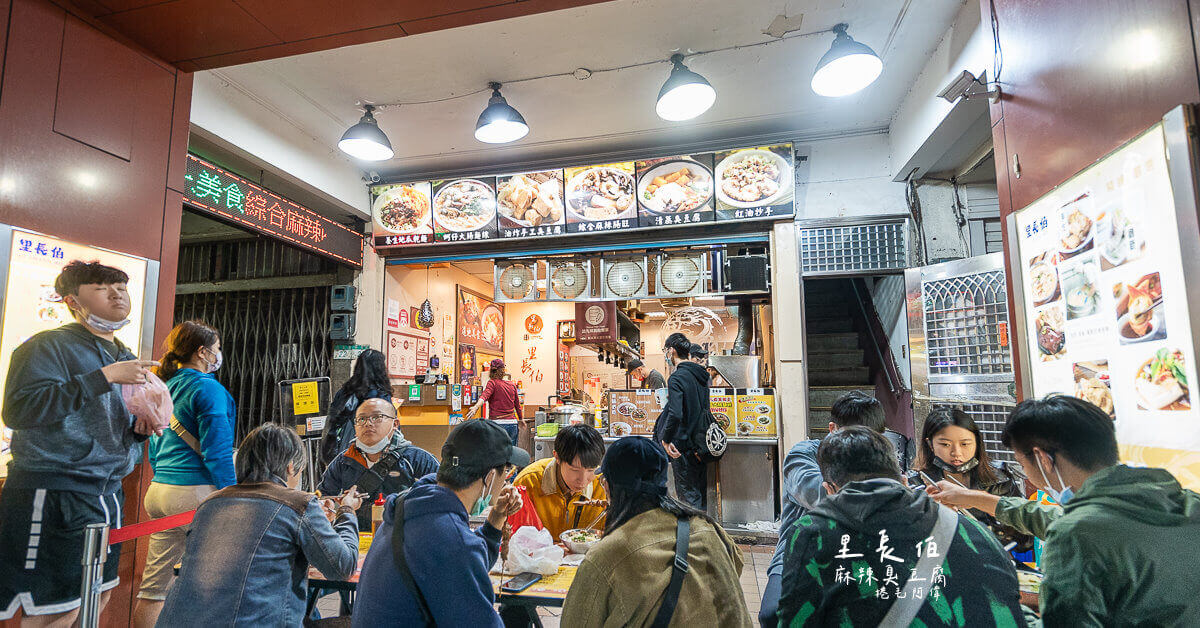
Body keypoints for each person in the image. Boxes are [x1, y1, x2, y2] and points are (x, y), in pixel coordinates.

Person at [936, 395, 1200, 625]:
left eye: (1022, 464)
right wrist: (974, 498)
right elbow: (1060, 518)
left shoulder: (1076, 534)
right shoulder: (1181, 501)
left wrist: (1000, 603)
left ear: (1042, 458)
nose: (1027, 475)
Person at [0, 260, 160, 626]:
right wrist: (103, 377)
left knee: (97, 595)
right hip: (55, 489)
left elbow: (112, 423)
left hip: (108, 493)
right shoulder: (47, 347)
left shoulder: (122, 354)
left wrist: (140, 430)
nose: (117, 293)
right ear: (73, 301)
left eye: (121, 286)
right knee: (53, 608)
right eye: (102, 287)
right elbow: (20, 410)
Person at [776, 427, 1027, 627]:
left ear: (829, 490)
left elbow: (794, 618)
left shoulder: (814, 532)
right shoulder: (974, 533)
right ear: (903, 480)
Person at [157, 423, 362, 626]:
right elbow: (343, 567)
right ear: (291, 466)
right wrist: (346, 510)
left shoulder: (210, 504)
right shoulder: (299, 504)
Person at [561, 437, 752, 627]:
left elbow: (576, 622)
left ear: (608, 487)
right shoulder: (709, 528)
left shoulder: (606, 555)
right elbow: (737, 564)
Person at [352, 419, 528, 627]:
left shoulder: (408, 506)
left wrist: (497, 517)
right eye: (506, 472)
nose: (506, 480)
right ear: (489, 477)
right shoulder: (451, 538)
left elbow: (468, 566)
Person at [133, 320, 236, 627]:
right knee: (212, 586)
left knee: (154, 588)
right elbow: (217, 451)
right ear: (203, 353)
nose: (219, 355)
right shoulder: (207, 389)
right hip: (196, 495)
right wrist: (232, 494)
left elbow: (152, 445)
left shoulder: (162, 385)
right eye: (216, 349)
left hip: (160, 490)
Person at [759, 390, 887, 628]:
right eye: (854, 438)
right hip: (799, 555)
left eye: (871, 439)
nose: (862, 448)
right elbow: (815, 493)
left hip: (861, 556)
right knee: (771, 615)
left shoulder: (884, 462)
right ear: (833, 429)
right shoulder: (805, 454)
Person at [906, 407, 1031, 552]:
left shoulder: (999, 479)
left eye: (965, 444)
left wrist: (994, 521)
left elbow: (1025, 541)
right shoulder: (915, 483)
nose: (956, 453)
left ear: (977, 442)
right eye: (945, 444)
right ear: (930, 444)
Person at [318, 397, 439, 530]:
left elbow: (443, 499)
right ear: (355, 426)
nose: (368, 424)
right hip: (355, 541)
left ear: (395, 424)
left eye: (377, 417)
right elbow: (324, 497)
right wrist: (328, 508)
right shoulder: (344, 461)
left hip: (404, 541)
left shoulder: (418, 460)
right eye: (361, 419)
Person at [513, 424, 607, 541]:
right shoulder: (528, 482)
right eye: (574, 470)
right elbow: (513, 538)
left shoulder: (605, 486)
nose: (583, 480)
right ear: (557, 457)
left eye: (590, 470)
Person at [655, 332, 712, 509]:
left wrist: (666, 439)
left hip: (683, 446)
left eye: (665, 350)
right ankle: (702, 533)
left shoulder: (677, 377)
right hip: (701, 444)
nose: (666, 354)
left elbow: (676, 413)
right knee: (699, 494)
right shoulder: (702, 376)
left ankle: (692, 536)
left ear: (671, 350)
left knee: (688, 499)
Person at [320, 349, 392, 469]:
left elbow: (333, 419)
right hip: (370, 452)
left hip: (343, 450)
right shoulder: (380, 396)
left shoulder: (345, 391)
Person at [466, 358, 524, 445]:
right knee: (512, 453)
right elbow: (517, 405)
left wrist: (476, 407)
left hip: (497, 424)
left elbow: (484, 396)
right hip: (512, 423)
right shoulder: (512, 385)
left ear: (491, 371)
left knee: (497, 454)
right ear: (503, 370)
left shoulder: (492, 383)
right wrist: (521, 419)